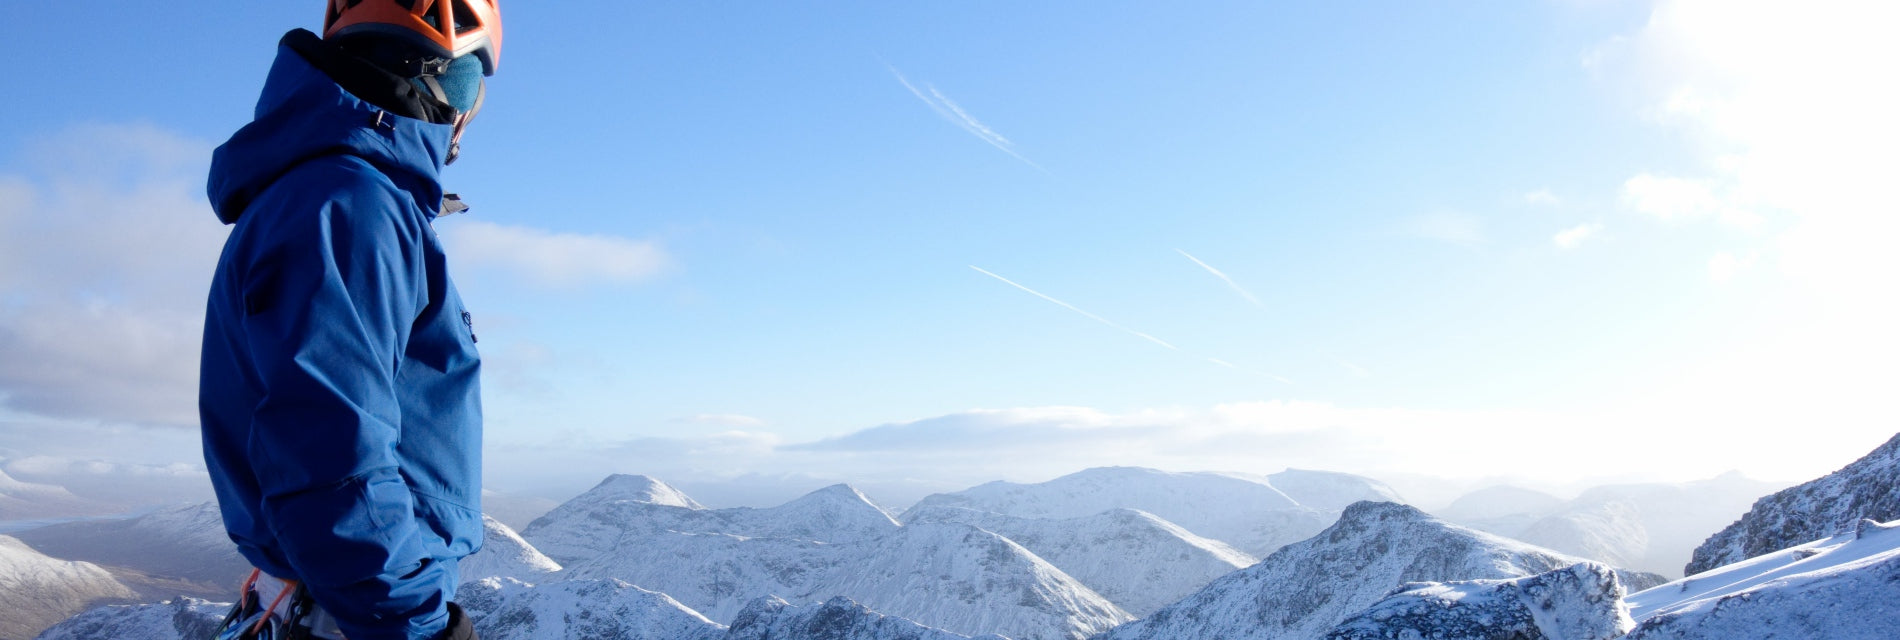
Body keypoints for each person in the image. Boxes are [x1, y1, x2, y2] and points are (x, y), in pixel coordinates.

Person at [199, 2, 501, 638]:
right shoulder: (352, 205)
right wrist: (416, 625)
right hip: (356, 618)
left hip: (328, 604)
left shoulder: (331, 197)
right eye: (469, 83)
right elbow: (332, 455)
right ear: (446, 83)